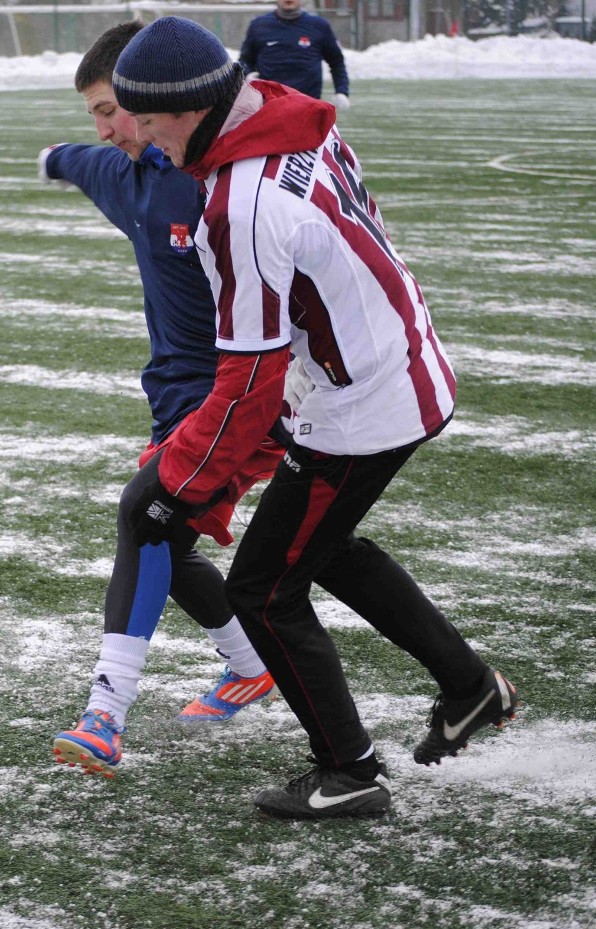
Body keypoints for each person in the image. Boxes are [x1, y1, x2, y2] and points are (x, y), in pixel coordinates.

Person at [111, 17, 520, 819]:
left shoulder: (241, 205)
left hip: (362, 400)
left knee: (262, 589)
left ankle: (349, 770)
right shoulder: (276, 103)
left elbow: (247, 382)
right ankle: (472, 689)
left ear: (191, 109)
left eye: (151, 121)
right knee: (319, 546)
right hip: (394, 357)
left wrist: (179, 476)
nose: (149, 140)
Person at [39, 22, 287, 778]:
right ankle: (248, 666)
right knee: (166, 543)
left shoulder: (215, 180)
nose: (112, 128)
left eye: (117, 108)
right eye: (97, 113)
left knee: (144, 522)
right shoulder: (122, 173)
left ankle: (104, 716)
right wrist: (53, 158)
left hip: (240, 403)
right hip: (176, 403)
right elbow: (73, 160)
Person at [239, 0, 350, 108]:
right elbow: (244, 61)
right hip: (269, 107)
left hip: (308, 107)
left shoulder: (319, 26)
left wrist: (341, 91)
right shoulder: (259, 26)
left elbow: (336, 61)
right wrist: (248, 74)